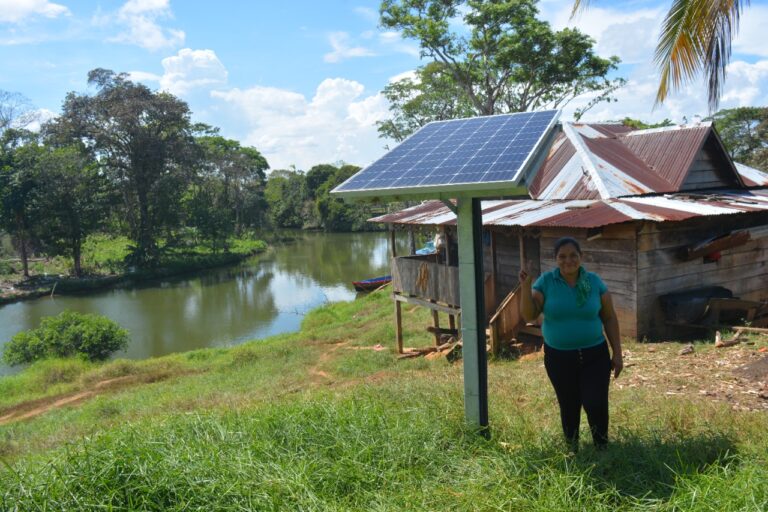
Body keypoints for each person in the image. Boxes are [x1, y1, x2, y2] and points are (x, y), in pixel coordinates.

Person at [519, 237, 623, 450]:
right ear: (556, 259)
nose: (568, 260)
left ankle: (602, 449)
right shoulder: (546, 282)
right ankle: (572, 449)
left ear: (581, 257)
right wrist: (525, 286)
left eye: (573, 255)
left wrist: (618, 353)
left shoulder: (593, 282)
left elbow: (609, 317)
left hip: (595, 355)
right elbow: (530, 315)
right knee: (569, 404)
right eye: (562, 256)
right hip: (559, 358)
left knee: (596, 403)